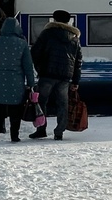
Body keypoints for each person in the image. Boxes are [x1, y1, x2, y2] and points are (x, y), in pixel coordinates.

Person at [0, 17, 35, 142]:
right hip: (16, 83)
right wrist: (31, 82)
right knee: (15, 112)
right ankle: (14, 136)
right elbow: (28, 66)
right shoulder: (22, 44)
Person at [29, 9, 82, 141]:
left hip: (47, 74)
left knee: (41, 102)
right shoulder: (74, 38)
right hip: (65, 77)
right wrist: (75, 81)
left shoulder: (47, 34)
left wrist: (39, 68)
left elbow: (34, 53)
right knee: (62, 103)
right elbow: (78, 61)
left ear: (54, 19)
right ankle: (59, 132)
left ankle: (41, 129)